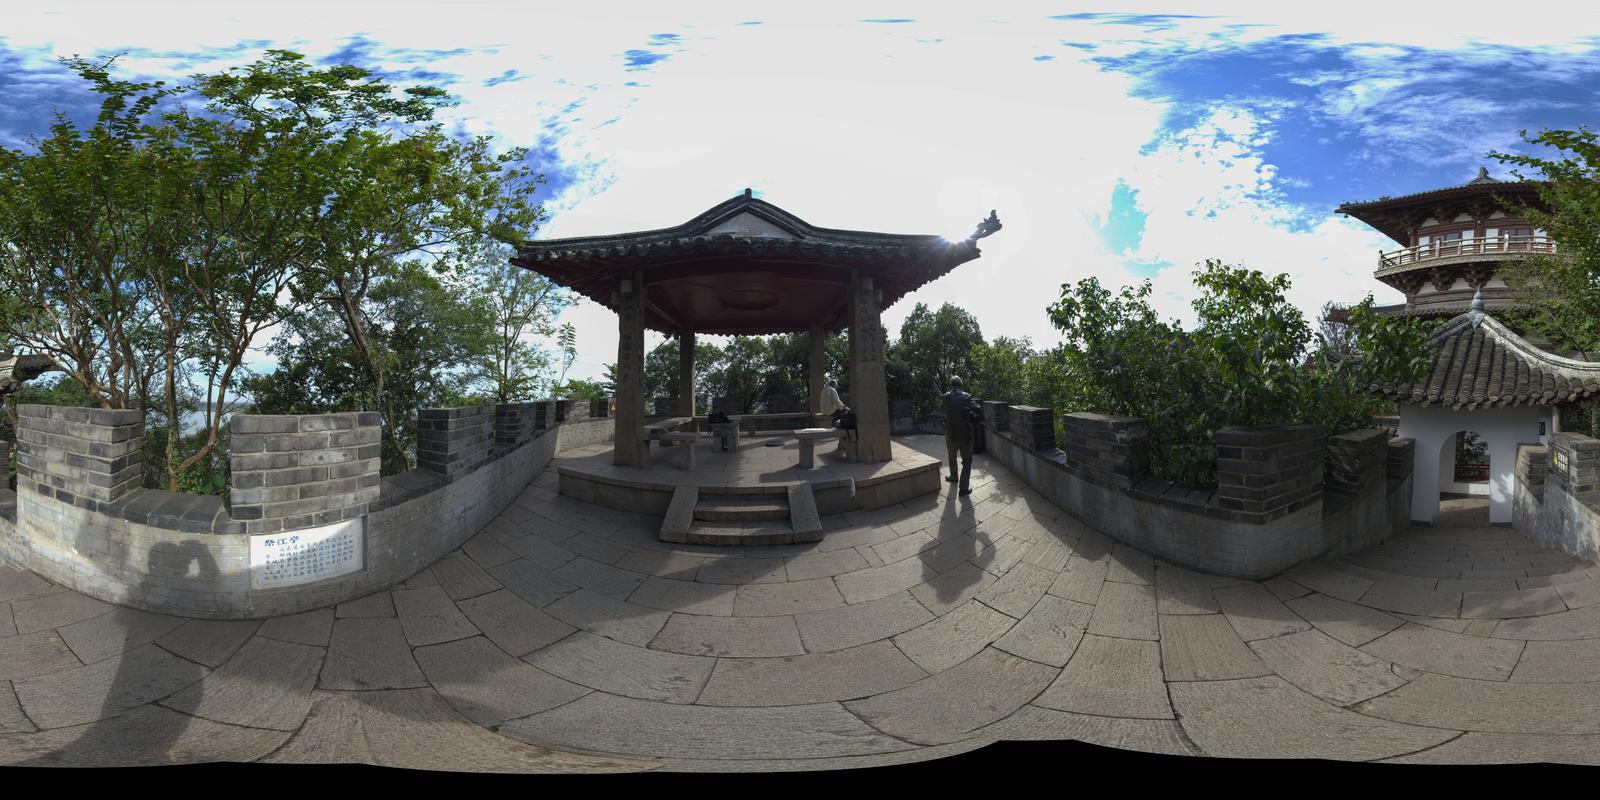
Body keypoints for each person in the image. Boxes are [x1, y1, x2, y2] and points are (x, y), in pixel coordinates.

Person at [942, 376, 981, 495]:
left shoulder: (946, 397)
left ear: (951, 385)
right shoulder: (966, 397)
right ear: (961, 384)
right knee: (967, 461)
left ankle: (954, 476)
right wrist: (969, 412)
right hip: (965, 435)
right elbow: (978, 409)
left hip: (951, 435)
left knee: (952, 457)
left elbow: (942, 411)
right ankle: (963, 488)